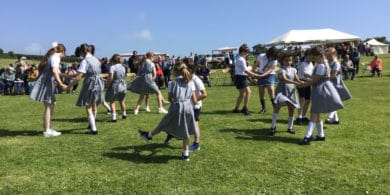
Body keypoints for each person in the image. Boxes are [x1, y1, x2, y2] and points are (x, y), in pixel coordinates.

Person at [138, 63, 198, 161]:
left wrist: (175, 103)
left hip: (177, 106)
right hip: (188, 108)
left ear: (175, 72)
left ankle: (149, 135)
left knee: (164, 123)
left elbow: (170, 98)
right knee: (186, 130)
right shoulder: (190, 82)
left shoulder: (172, 83)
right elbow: (194, 100)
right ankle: (186, 154)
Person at [300, 47, 344, 145]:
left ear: (319, 56)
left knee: (314, 113)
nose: (312, 59)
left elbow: (315, 81)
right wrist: (309, 77)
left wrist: (302, 84)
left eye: (313, 57)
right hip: (319, 90)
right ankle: (321, 135)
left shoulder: (320, 65)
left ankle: (307, 136)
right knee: (317, 114)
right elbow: (318, 78)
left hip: (320, 90)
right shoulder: (323, 64)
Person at [29, 43, 67, 137]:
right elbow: (54, 71)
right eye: (64, 53)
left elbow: (58, 73)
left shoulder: (52, 57)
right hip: (47, 83)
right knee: (49, 106)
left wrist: (73, 76)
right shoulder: (56, 57)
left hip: (47, 82)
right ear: (62, 51)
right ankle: (47, 130)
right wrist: (61, 83)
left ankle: (48, 128)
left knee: (51, 104)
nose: (64, 55)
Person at [66, 43, 104, 135]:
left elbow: (79, 77)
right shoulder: (96, 59)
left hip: (90, 83)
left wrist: (68, 86)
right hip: (99, 82)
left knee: (88, 106)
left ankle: (93, 129)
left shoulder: (85, 61)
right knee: (93, 103)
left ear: (83, 52)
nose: (80, 56)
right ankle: (92, 124)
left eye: (80, 53)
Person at [270, 53, 303, 136]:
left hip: (291, 90)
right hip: (282, 90)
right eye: (286, 60)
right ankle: (273, 127)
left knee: (292, 108)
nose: (288, 62)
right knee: (278, 106)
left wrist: (302, 82)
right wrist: (296, 82)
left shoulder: (294, 69)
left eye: (290, 60)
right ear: (283, 61)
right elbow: (285, 79)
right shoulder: (282, 70)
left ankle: (290, 128)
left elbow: (297, 78)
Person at [325, 47, 352, 124]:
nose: (327, 57)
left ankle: (330, 116)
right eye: (326, 56)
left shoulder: (336, 63)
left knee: (333, 102)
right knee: (332, 101)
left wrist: (323, 77)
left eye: (329, 56)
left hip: (336, 84)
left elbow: (333, 75)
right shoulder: (328, 62)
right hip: (330, 84)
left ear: (334, 55)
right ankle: (335, 119)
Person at [232, 44, 261, 115]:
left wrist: (250, 72)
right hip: (241, 77)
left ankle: (236, 108)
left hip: (239, 77)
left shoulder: (238, 58)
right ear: (242, 52)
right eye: (246, 52)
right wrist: (255, 75)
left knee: (242, 94)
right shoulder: (241, 59)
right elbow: (245, 71)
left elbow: (243, 70)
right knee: (248, 92)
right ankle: (244, 109)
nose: (247, 54)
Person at [255, 47, 278, 114]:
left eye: (274, 57)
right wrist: (254, 73)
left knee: (271, 91)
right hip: (260, 73)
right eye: (272, 56)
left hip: (270, 75)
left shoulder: (275, 60)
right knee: (261, 92)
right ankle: (263, 108)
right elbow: (256, 64)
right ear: (269, 54)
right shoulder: (261, 56)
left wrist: (261, 76)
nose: (272, 58)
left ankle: (275, 109)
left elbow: (270, 70)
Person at [105, 54, 127, 122]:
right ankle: (124, 114)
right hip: (123, 85)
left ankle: (114, 117)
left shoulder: (112, 67)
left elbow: (111, 77)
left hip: (115, 85)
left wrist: (107, 84)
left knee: (112, 101)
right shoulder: (123, 67)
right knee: (122, 100)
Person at [295, 49, 314, 125]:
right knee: (302, 99)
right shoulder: (303, 63)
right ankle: (299, 117)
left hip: (308, 83)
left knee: (308, 100)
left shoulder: (311, 64)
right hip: (301, 82)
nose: (311, 56)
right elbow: (306, 74)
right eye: (310, 55)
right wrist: (315, 77)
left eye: (312, 55)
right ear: (306, 56)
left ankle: (303, 116)